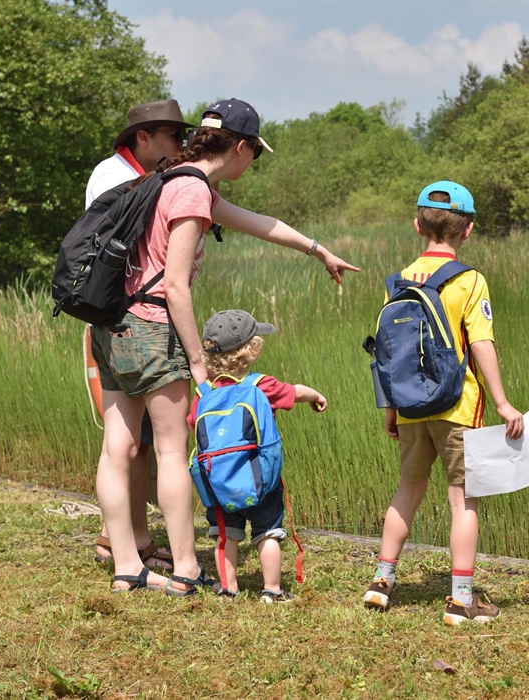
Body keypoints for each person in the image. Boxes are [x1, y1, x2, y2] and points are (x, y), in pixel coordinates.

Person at [90, 97, 359, 593]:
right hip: (152, 327)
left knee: (117, 447)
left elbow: (258, 222)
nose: (251, 163)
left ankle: (127, 565)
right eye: (254, 153)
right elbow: (175, 286)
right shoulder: (191, 191)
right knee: (172, 449)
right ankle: (188, 567)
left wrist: (320, 251)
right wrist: (198, 363)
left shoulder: (170, 176)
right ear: (240, 147)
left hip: (113, 325)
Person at [362, 181, 524, 625]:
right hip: (457, 407)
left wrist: (392, 409)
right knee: (463, 500)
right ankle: (461, 599)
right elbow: (483, 343)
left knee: (407, 490)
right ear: (467, 230)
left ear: (418, 226)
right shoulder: (469, 280)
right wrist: (504, 403)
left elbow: (390, 354)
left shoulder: (398, 281)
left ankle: (381, 582)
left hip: (410, 407)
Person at [86, 99, 194, 572]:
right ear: (144, 137)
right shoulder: (119, 179)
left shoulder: (138, 175)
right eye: (173, 136)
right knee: (159, 445)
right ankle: (132, 545)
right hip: (134, 320)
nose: (180, 145)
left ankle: (131, 549)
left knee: (130, 443)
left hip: (111, 320)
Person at [186, 309, 328, 602]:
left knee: (225, 535)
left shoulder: (203, 394)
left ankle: (229, 588)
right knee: (268, 532)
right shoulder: (259, 385)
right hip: (259, 479)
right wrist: (315, 396)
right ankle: (272, 590)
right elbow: (294, 392)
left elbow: (192, 423)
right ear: (250, 351)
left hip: (219, 483)